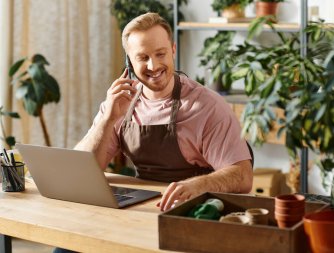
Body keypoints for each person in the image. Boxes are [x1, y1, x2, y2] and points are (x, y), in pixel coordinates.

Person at [53, 12, 253, 253]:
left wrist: (197, 186)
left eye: (160, 54)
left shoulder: (207, 107)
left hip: (193, 211)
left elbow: (243, 176)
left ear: (173, 50)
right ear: (129, 62)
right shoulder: (121, 102)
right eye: (143, 57)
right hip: (143, 209)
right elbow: (82, 171)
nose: (153, 65)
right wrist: (108, 119)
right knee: (67, 248)